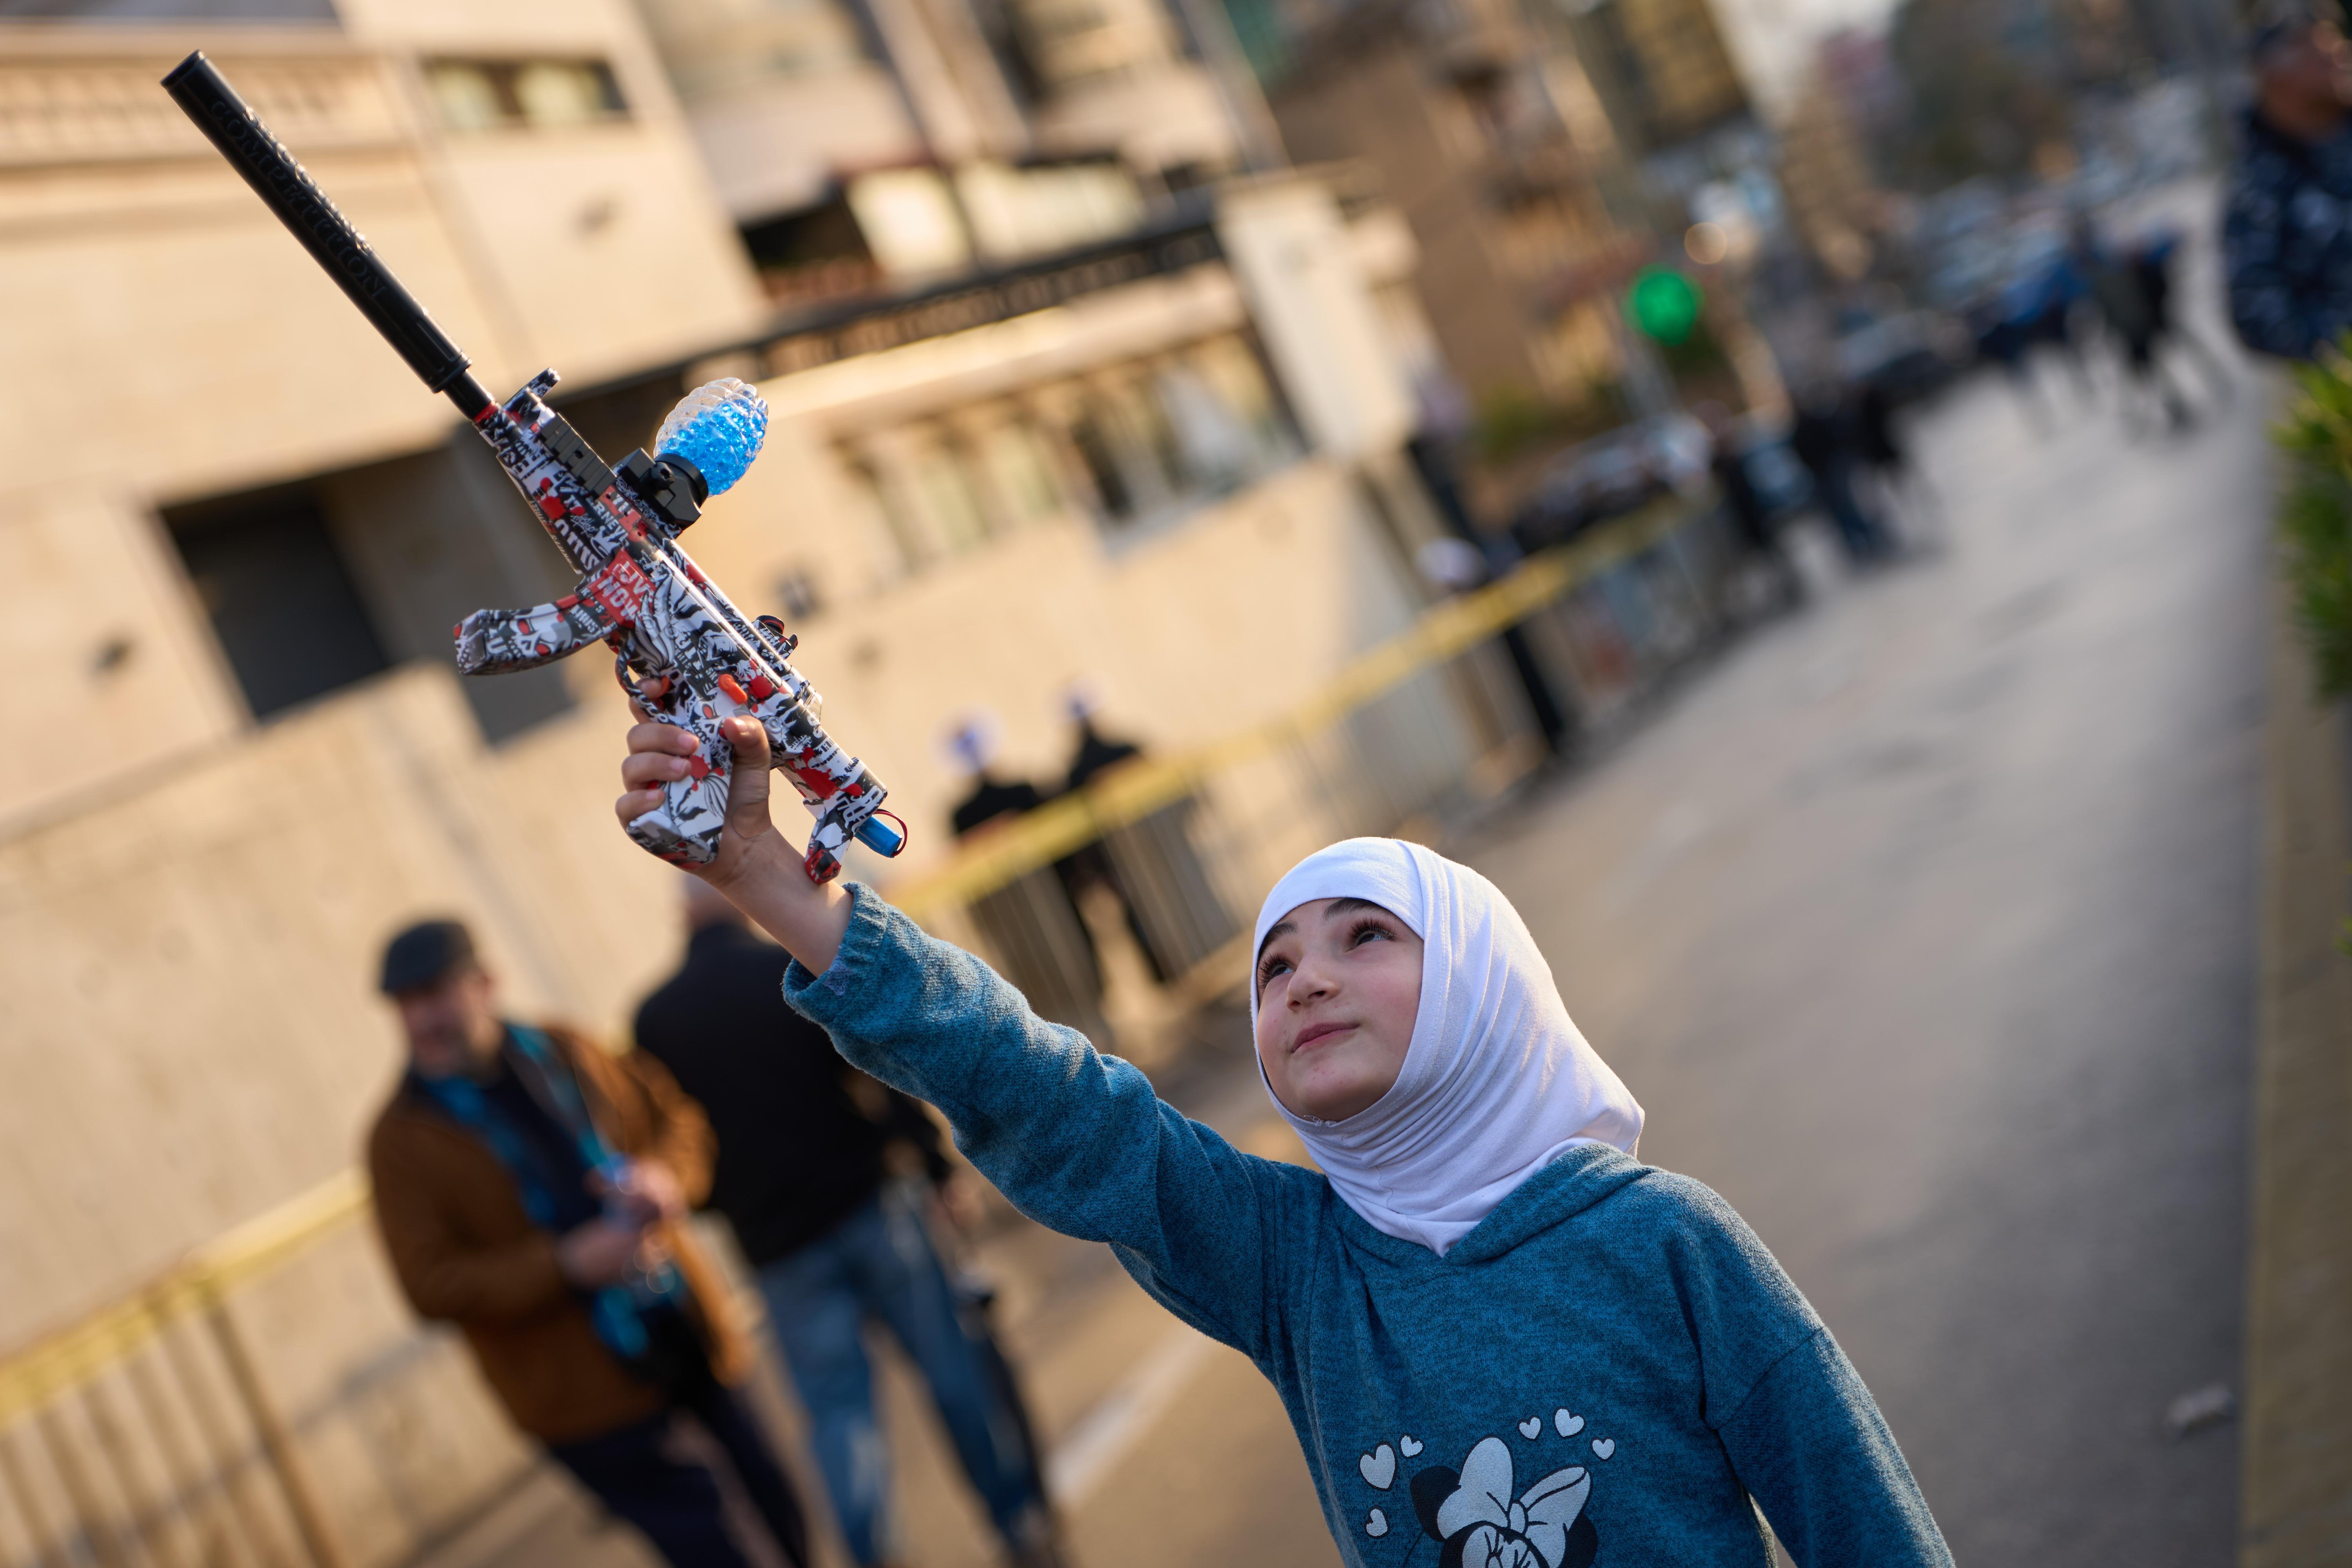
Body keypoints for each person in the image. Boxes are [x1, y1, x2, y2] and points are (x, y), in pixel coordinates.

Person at [612, 715, 1955, 1566]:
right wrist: (772, 887)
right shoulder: (1290, 1265)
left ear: (1490, 981)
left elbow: (1863, 1525)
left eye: (1367, 936)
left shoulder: (1667, 1242)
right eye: (1272, 967)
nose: (1303, 980)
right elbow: (1052, 1097)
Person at [632, 882, 1062, 1568]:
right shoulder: (785, 970)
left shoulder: (654, 1020)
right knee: (954, 1377)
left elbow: (670, 1143)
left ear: (680, 910)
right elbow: (877, 1071)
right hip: (870, 1205)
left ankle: (874, 1556)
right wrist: (932, 1166)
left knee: (839, 1420)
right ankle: (1020, 1528)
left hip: (774, 1248)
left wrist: (732, 1204)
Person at [366, 919, 809, 1568]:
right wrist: (567, 1265)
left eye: (435, 993)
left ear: (485, 983)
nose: (423, 1018)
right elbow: (430, 1286)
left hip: (685, 1326)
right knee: (719, 1549)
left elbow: (676, 1123)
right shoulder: (399, 1140)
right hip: (582, 1395)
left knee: (779, 1503)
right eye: (406, 1004)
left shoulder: (563, 1048)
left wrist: (666, 1180)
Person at [2223, 8, 2352, 358]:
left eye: (2334, 40)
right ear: (2277, 80)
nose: (2336, 53)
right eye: (2314, 48)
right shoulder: (2260, 195)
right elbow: (2257, 317)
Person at [1789, 385, 1891, 564]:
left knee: (1849, 508)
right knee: (1843, 513)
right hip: (1823, 474)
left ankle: (1871, 538)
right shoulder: (1801, 428)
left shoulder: (1813, 422)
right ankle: (1862, 543)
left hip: (1831, 471)